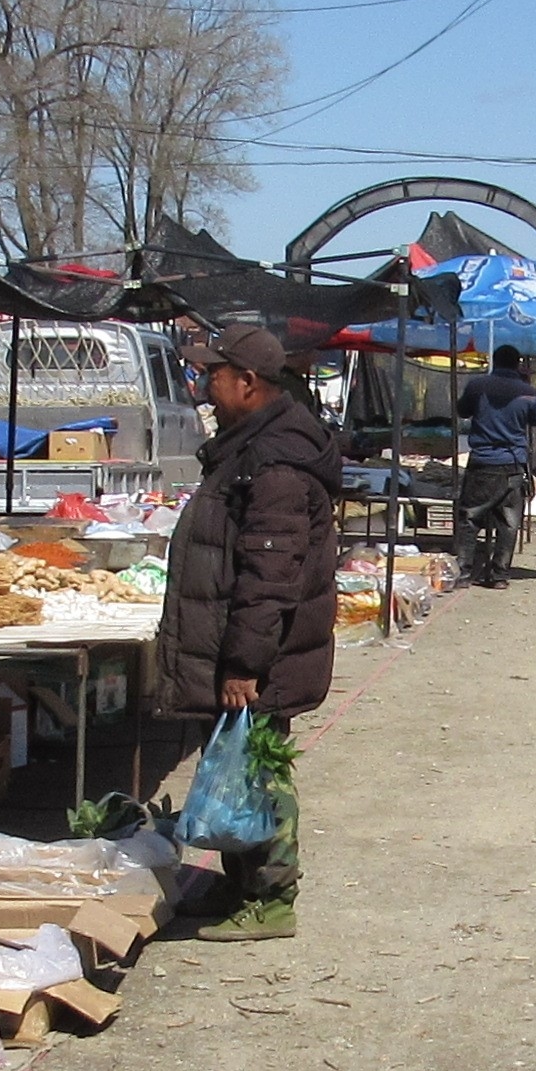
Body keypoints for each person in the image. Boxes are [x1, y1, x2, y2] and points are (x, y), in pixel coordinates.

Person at [152, 325, 342, 940]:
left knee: (259, 768)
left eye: (214, 375)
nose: (206, 386)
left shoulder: (278, 462)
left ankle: (271, 898)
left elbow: (269, 576)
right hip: (249, 648)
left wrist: (245, 663)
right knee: (233, 767)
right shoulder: (248, 445)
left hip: (268, 655)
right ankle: (238, 885)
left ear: (248, 384)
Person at [456, 345, 536, 587]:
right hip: (513, 463)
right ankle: (499, 575)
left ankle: (464, 572)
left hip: (483, 461)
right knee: (508, 523)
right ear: (517, 364)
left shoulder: (477, 386)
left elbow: (462, 410)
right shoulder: (528, 392)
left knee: (470, 517)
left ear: (494, 362)